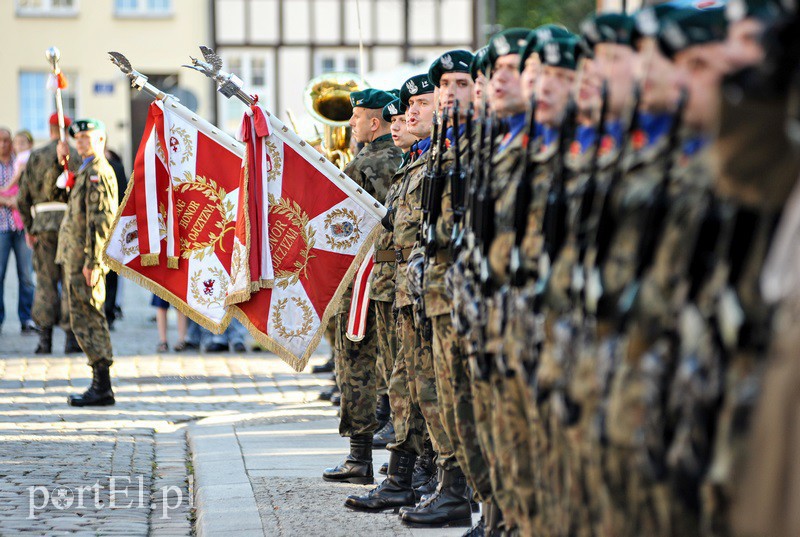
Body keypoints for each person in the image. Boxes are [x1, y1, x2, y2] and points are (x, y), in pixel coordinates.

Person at [322, 87, 402, 486]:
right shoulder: (390, 157)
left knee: (356, 365)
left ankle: (359, 457)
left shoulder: (371, 163)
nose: (350, 124)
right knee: (381, 364)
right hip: (380, 277)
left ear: (374, 122)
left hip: (367, 279)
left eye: (356, 117)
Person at [57, 119, 118, 407]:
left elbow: (101, 221)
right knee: (82, 316)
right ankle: (98, 383)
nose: (80, 142)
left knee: (92, 316)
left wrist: (94, 261)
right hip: (75, 258)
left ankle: (102, 387)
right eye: (77, 138)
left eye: (86, 137)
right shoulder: (84, 169)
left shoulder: (98, 172)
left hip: (86, 260)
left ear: (101, 139)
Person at [17, 114, 81, 353]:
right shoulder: (75, 155)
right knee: (69, 282)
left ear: (50, 128)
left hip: (42, 226)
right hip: (69, 225)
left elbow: (23, 197)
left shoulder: (36, 156)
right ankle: (70, 339)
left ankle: (45, 340)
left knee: (45, 282)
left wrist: (29, 227)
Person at [0, 126, 36, 335]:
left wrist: (17, 201)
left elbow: (29, 188)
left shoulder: (21, 161)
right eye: (1, 141)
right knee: (0, 275)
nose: (4, 145)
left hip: (22, 227)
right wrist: (10, 201)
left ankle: (27, 318)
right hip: (2, 228)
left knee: (27, 276)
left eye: (7, 140)